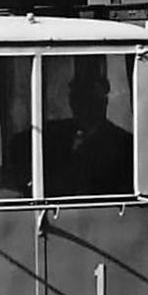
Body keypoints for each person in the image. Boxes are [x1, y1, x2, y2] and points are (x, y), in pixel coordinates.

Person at [42, 62, 133, 197]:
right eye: (75, 99)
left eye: (89, 100)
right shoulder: (53, 134)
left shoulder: (124, 144)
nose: (80, 107)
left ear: (103, 103)